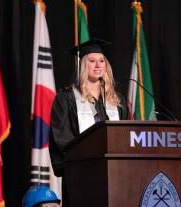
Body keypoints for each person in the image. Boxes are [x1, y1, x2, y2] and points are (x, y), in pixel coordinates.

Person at [49, 38, 130, 206]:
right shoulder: (67, 98)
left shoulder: (117, 100)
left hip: (115, 175)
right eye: (92, 61)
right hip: (81, 174)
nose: (98, 65)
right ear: (83, 65)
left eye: (101, 61)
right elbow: (62, 138)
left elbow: (124, 135)